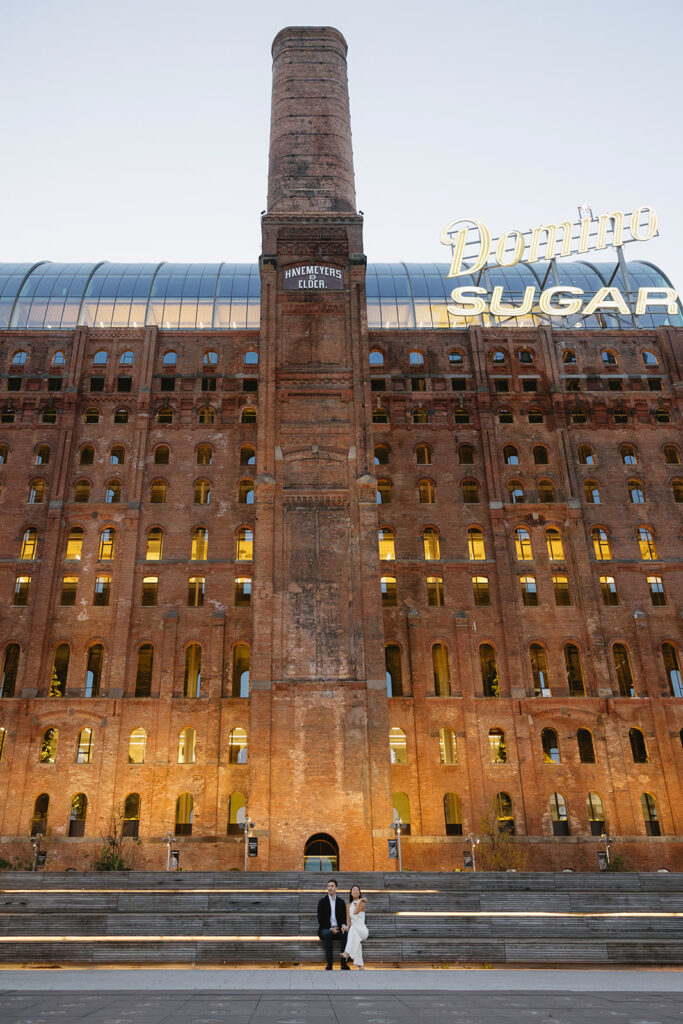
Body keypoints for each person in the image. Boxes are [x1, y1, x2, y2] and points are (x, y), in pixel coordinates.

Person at [317, 878, 350, 970]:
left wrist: (343, 926)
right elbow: (321, 919)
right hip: (325, 928)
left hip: (338, 928)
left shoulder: (341, 902)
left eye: (332, 886)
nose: (330, 888)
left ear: (336, 888)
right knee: (327, 934)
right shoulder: (322, 902)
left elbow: (343, 918)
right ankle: (329, 964)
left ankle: (343, 964)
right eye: (328, 886)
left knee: (346, 934)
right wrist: (331, 929)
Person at [342, 884, 369, 969]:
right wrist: (346, 927)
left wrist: (360, 900)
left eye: (357, 890)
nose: (355, 891)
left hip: (363, 930)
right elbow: (348, 920)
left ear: (359, 893)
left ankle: (347, 952)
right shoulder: (348, 905)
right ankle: (361, 965)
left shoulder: (362, 904)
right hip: (354, 931)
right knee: (355, 938)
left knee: (353, 929)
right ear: (351, 893)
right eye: (353, 889)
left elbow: (355, 912)